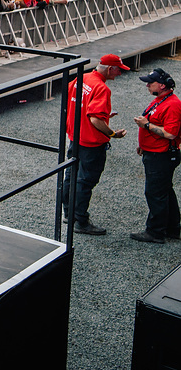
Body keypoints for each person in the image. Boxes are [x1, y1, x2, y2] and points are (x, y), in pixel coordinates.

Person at [64, 54, 130, 236]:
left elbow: (76, 102)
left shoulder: (82, 77)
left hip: (75, 136)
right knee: (85, 181)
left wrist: (105, 115)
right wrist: (112, 133)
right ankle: (81, 221)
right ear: (110, 69)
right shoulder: (102, 88)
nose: (119, 74)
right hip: (92, 143)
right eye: (119, 70)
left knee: (71, 174)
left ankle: (68, 214)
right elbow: (94, 119)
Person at [132, 67, 181, 244]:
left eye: (150, 83)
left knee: (155, 193)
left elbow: (170, 134)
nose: (147, 86)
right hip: (155, 153)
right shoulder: (162, 99)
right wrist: (143, 145)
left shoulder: (172, 104)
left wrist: (146, 125)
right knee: (165, 190)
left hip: (161, 155)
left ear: (161, 85)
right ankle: (172, 228)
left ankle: (155, 231)